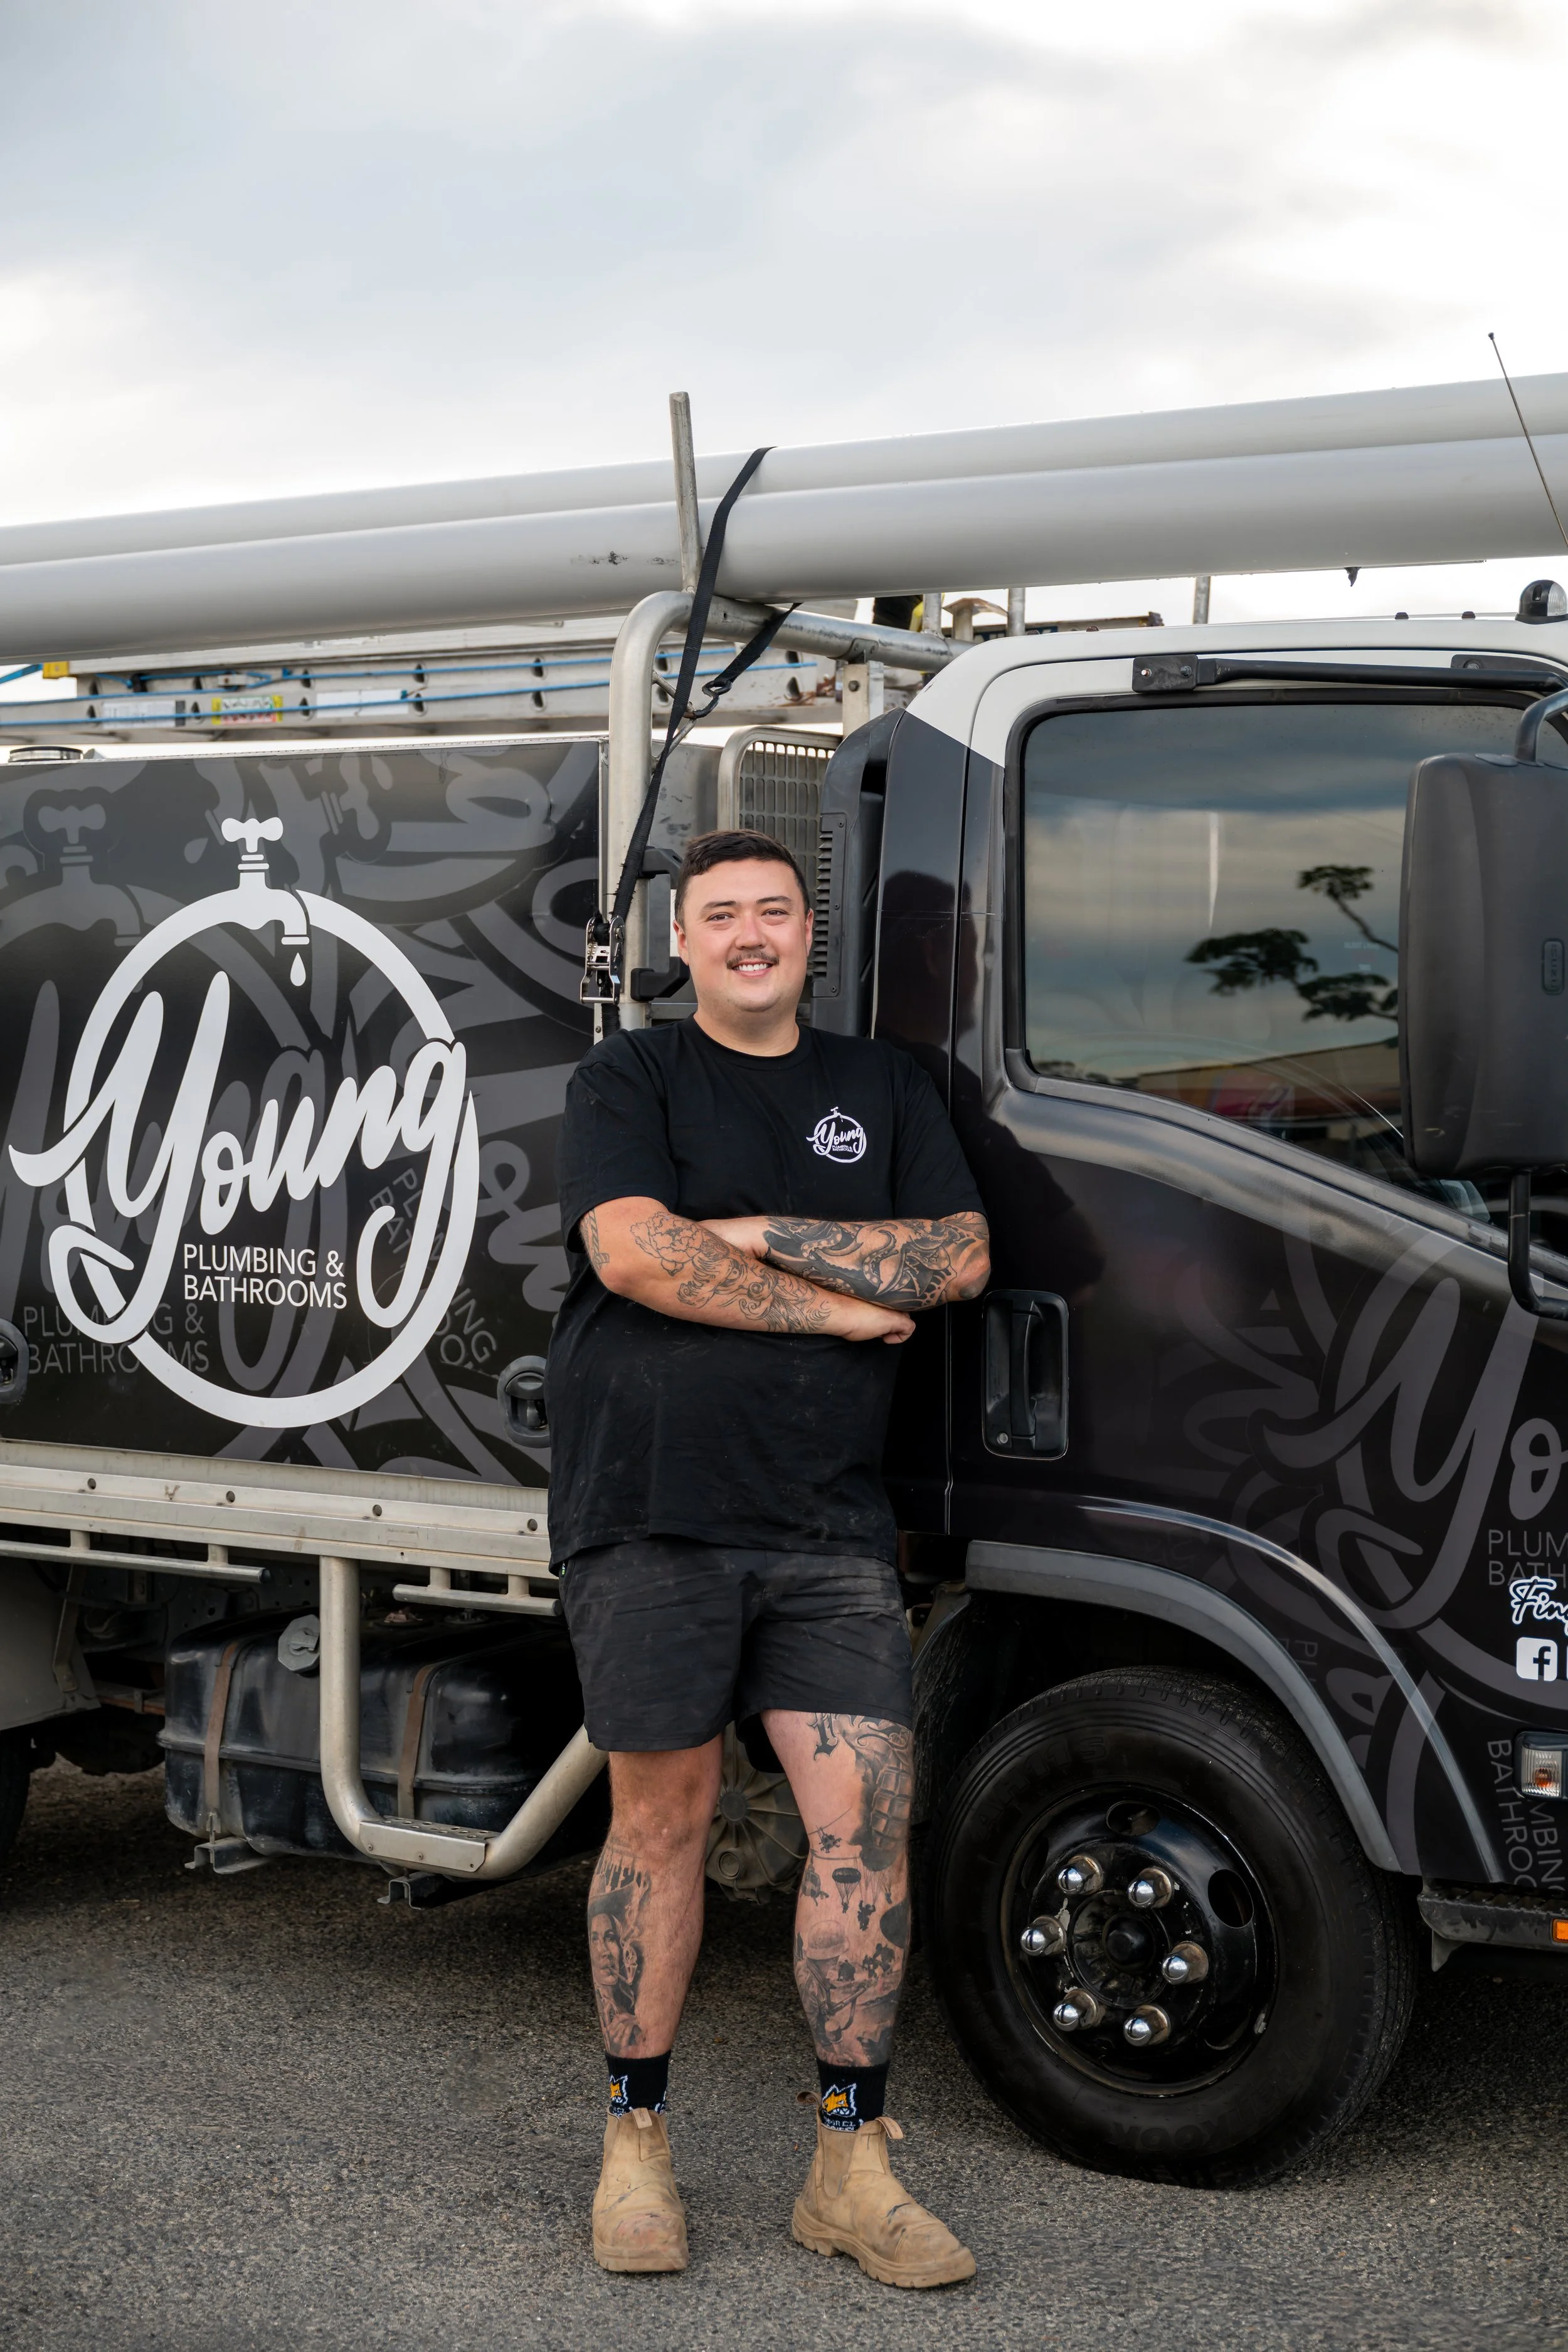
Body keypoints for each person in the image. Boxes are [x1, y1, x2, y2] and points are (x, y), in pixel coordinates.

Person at [547, 826, 990, 2289]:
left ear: (812, 934)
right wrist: (836, 1304)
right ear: (684, 942)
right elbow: (629, 1255)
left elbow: (957, 1258)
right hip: (654, 1509)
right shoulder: (631, 1077)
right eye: (720, 913)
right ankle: (632, 2144)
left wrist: (746, 1234)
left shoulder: (883, 1085)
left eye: (774, 911)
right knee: (660, 1824)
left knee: (864, 1820)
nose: (749, 933)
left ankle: (850, 2168)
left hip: (827, 1524)